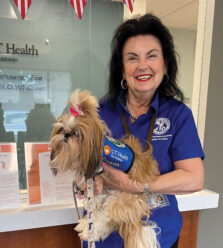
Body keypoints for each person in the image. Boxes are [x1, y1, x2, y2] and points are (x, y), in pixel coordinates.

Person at [84, 14, 205, 248]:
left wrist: (138, 186)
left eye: (151, 56)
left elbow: (194, 178)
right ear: (122, 67)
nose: (142, 66)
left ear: (165, 63)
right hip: (106, 238)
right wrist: (90, 181)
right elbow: (86, 164)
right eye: (132, 58)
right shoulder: (100, 112)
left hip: (159, 237)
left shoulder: (178, 115)